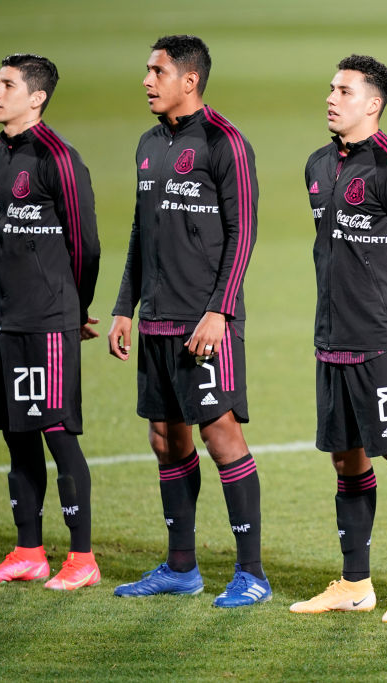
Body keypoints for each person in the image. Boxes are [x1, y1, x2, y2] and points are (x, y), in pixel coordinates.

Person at [107, 35, 268, 608]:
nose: (147, 80)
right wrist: (126, 306)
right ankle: (181, 567)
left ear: (190, 80)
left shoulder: (225, 143)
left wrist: (220, 310)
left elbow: (243, 231)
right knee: (164, 437)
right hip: (157, 318)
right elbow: (139, 232)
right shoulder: (149, 144)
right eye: (147, 70)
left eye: (158, 71)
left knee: (220, 435)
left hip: (206, 320)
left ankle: (251, 573)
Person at [289, 55, 387, 624]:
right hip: (332, 336)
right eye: (331, 88)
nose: (331, 98)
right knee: (346, 459)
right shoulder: (317, 165)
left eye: (345, 91)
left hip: (384, 339)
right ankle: (355, 583)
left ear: (373, 104)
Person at [0, 53, 102, 591]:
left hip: (49, 322)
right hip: (3, 320)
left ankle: (82, 558)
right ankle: (29, 550)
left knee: (56, 432)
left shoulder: (59, 159)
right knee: (15, 434)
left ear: (37, 97)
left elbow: (86, 244)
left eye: (8, 84)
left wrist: (74, 309)